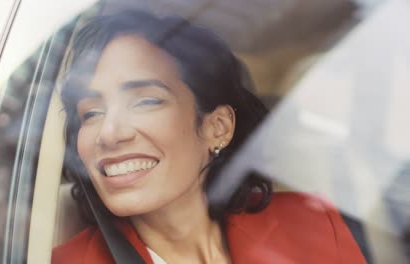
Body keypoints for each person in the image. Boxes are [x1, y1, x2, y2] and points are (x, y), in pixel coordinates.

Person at [53, 9, 366, 264]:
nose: (109, 133)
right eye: (91, 113)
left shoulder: (311, 225)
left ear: (217, 128)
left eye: (146, 101)